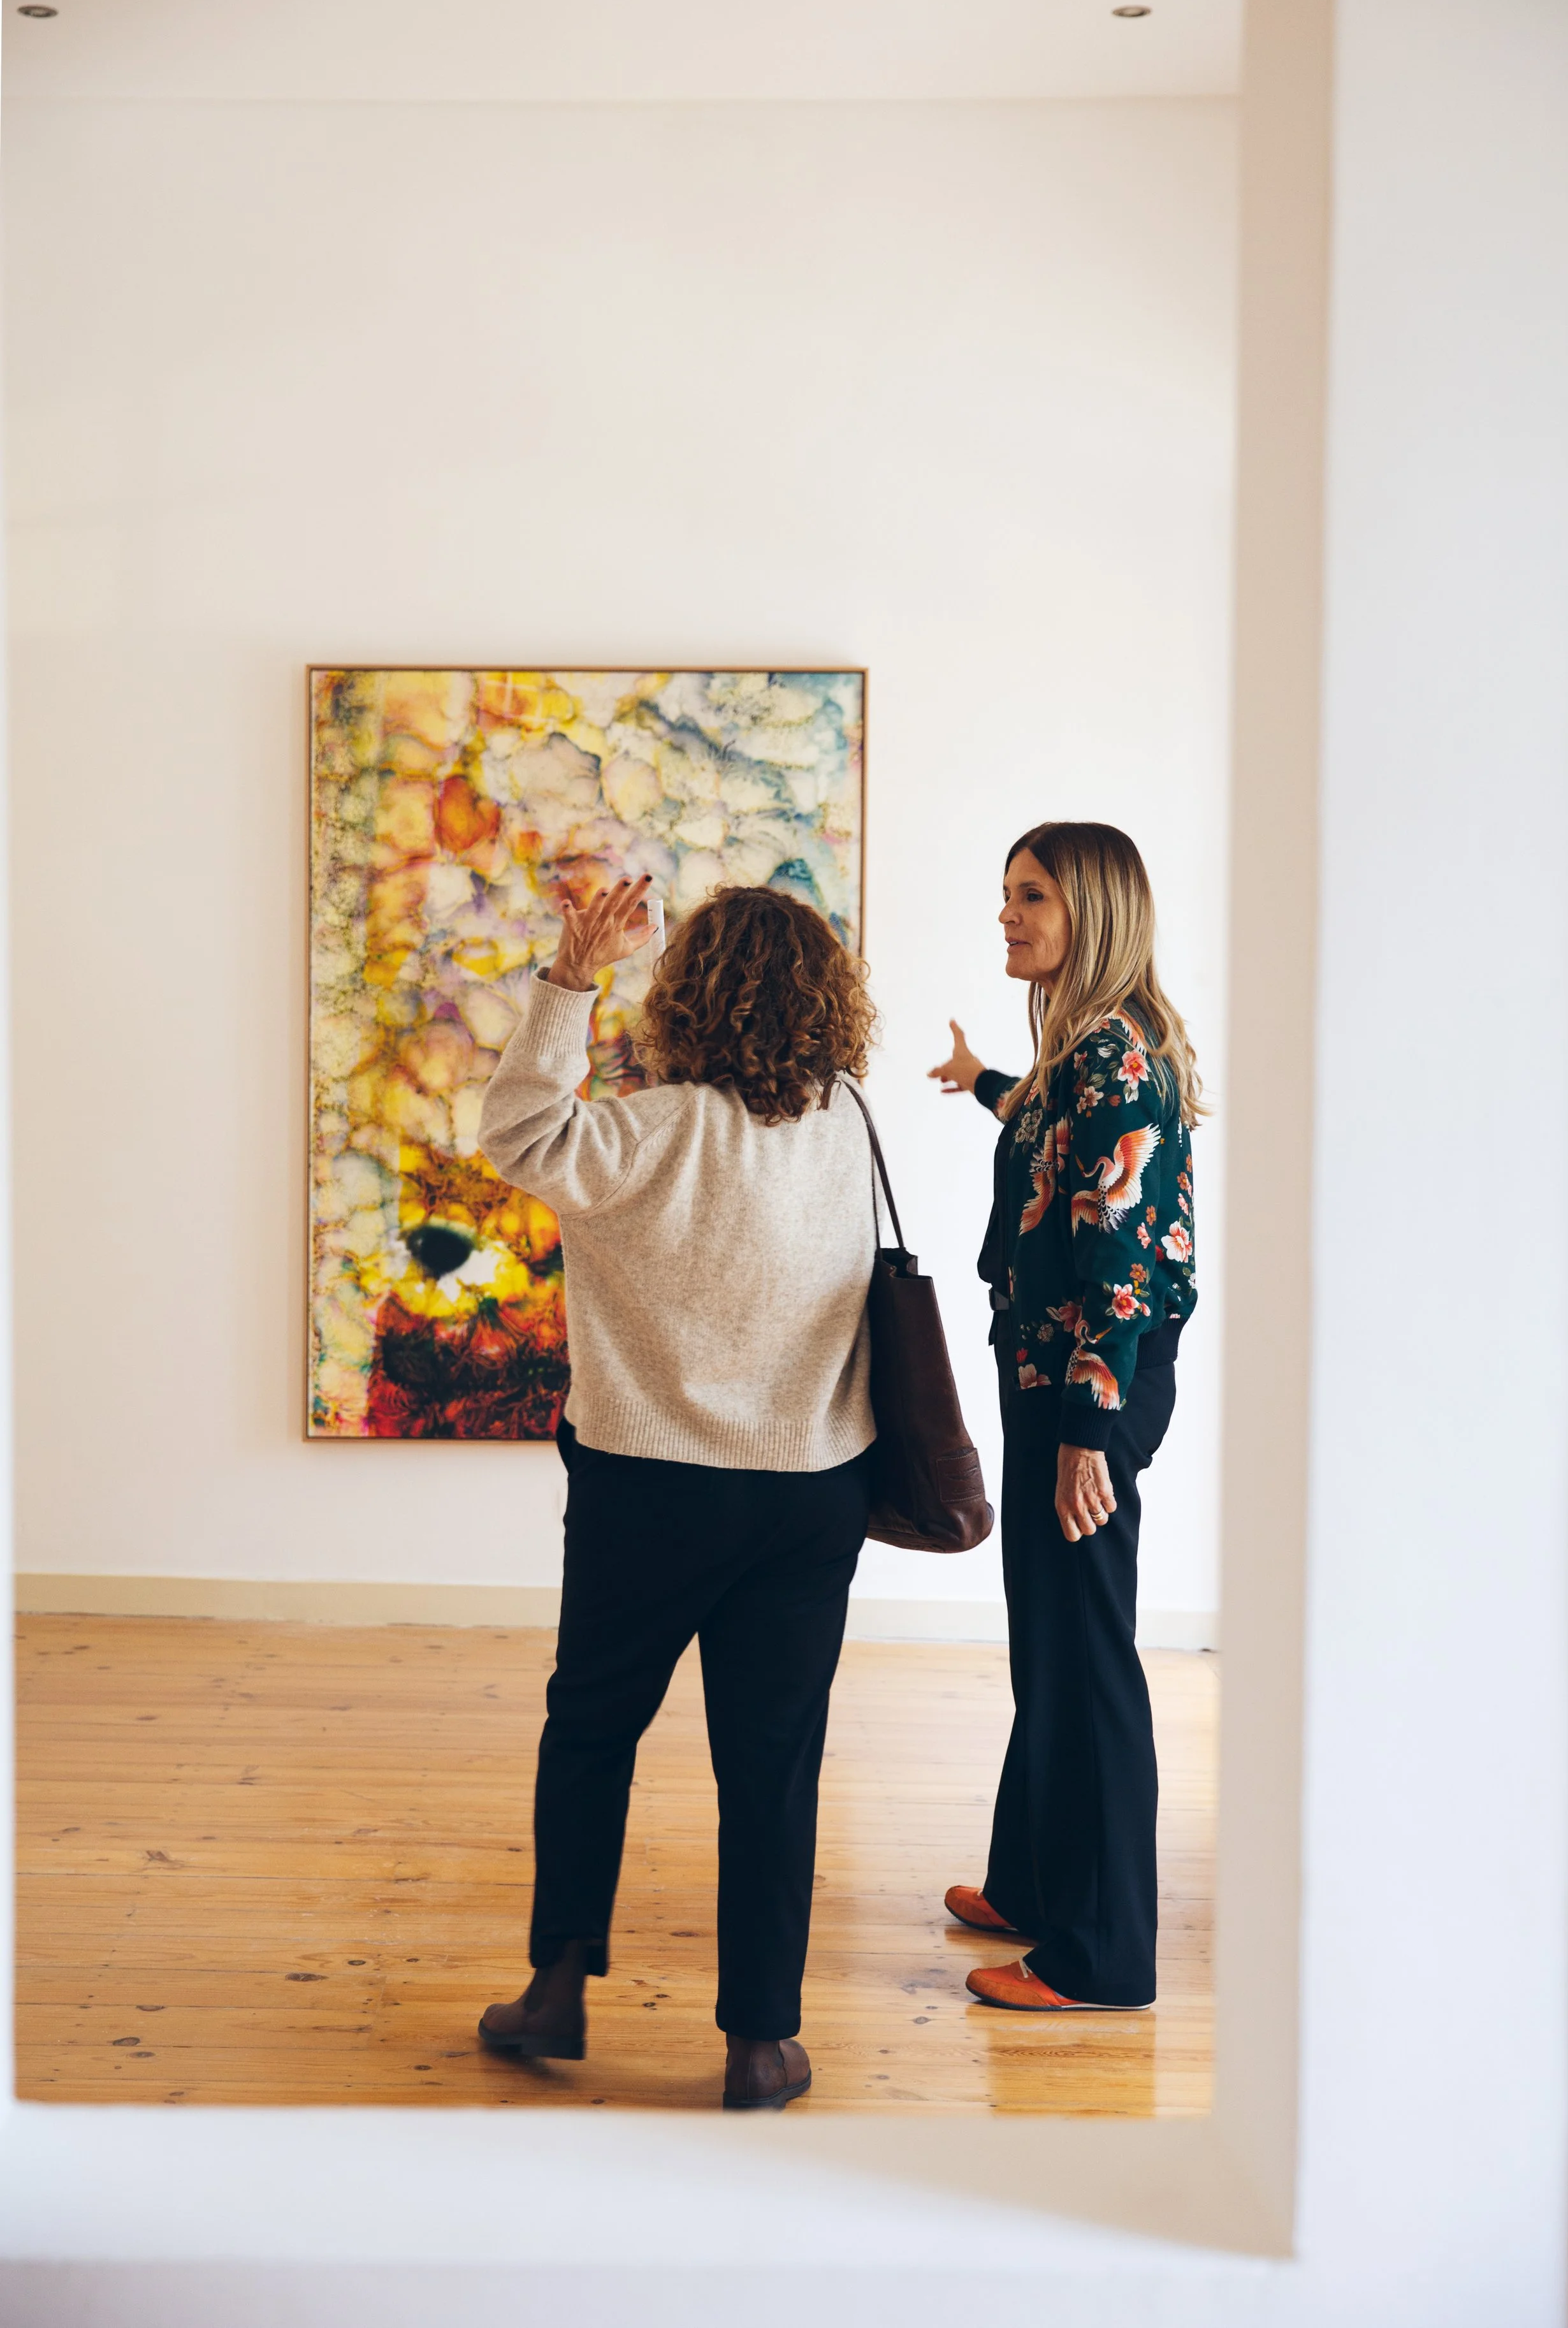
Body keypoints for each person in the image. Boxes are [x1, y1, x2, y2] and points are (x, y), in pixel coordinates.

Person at [474, 875, 878, 2109]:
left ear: (687, 994)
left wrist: (569, 979)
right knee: (774, 1764)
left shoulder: (640, 1136)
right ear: (827, 1002)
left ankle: (555, 1989)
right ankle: (760, 2041)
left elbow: (517, 1129)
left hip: (644, 1487)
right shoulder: (850, 1123)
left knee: (592, 1730)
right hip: (808, 1489)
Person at [927, 822, 1202, 2013]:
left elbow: (1124, 1260)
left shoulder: (1113, 1058)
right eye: (1007, 893)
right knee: (1049, 1634)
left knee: (1087, 1653)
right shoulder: (1081, 1053)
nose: (1008, 913)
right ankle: (1034, 1881)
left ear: (1090, 911)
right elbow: (1050, 1137)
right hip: (1054, 1372)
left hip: (1091, 1380)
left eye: (1032, 895)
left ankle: (1103, 1957)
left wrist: (1089, 1428)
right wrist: (979, 1079)